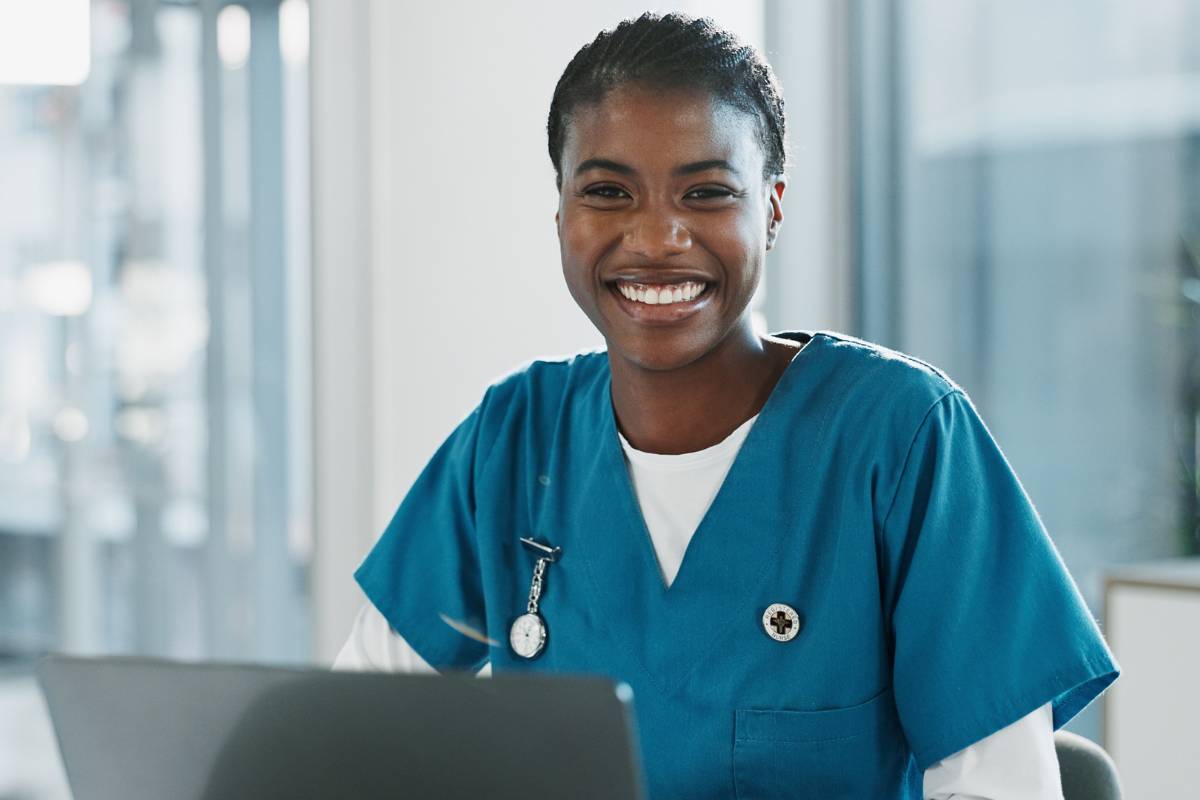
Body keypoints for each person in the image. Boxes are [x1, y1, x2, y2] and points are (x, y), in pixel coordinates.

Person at [336, 12, 1119, 799]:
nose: (655, 238)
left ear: (773, 208)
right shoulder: (512, 441)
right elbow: (342, 735)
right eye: (608, 191)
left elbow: (1001, 788)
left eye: (706, 192)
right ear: (561, 213)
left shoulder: (902, 439)